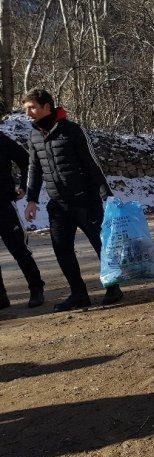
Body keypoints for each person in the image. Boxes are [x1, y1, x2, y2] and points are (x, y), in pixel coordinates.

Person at [22, 88, 123, 312]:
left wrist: (106, 195)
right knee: (62, 249)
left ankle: (113, 287)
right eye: (26, 109)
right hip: (57, 205)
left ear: (46, 107)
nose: (28, 113)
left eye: (32, 108)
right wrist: (31, 200)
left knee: (101, 245)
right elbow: (34, 169)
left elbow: (92, 164)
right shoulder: (34, 134)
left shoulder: (72, 130)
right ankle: (78, 294)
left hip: (85, 201)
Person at [0, 131, 45, 309]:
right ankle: (1, 296)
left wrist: (24, 188)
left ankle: (36, 288)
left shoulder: (1, 140)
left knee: (19, 249)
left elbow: (28, 161)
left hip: (3, 204)